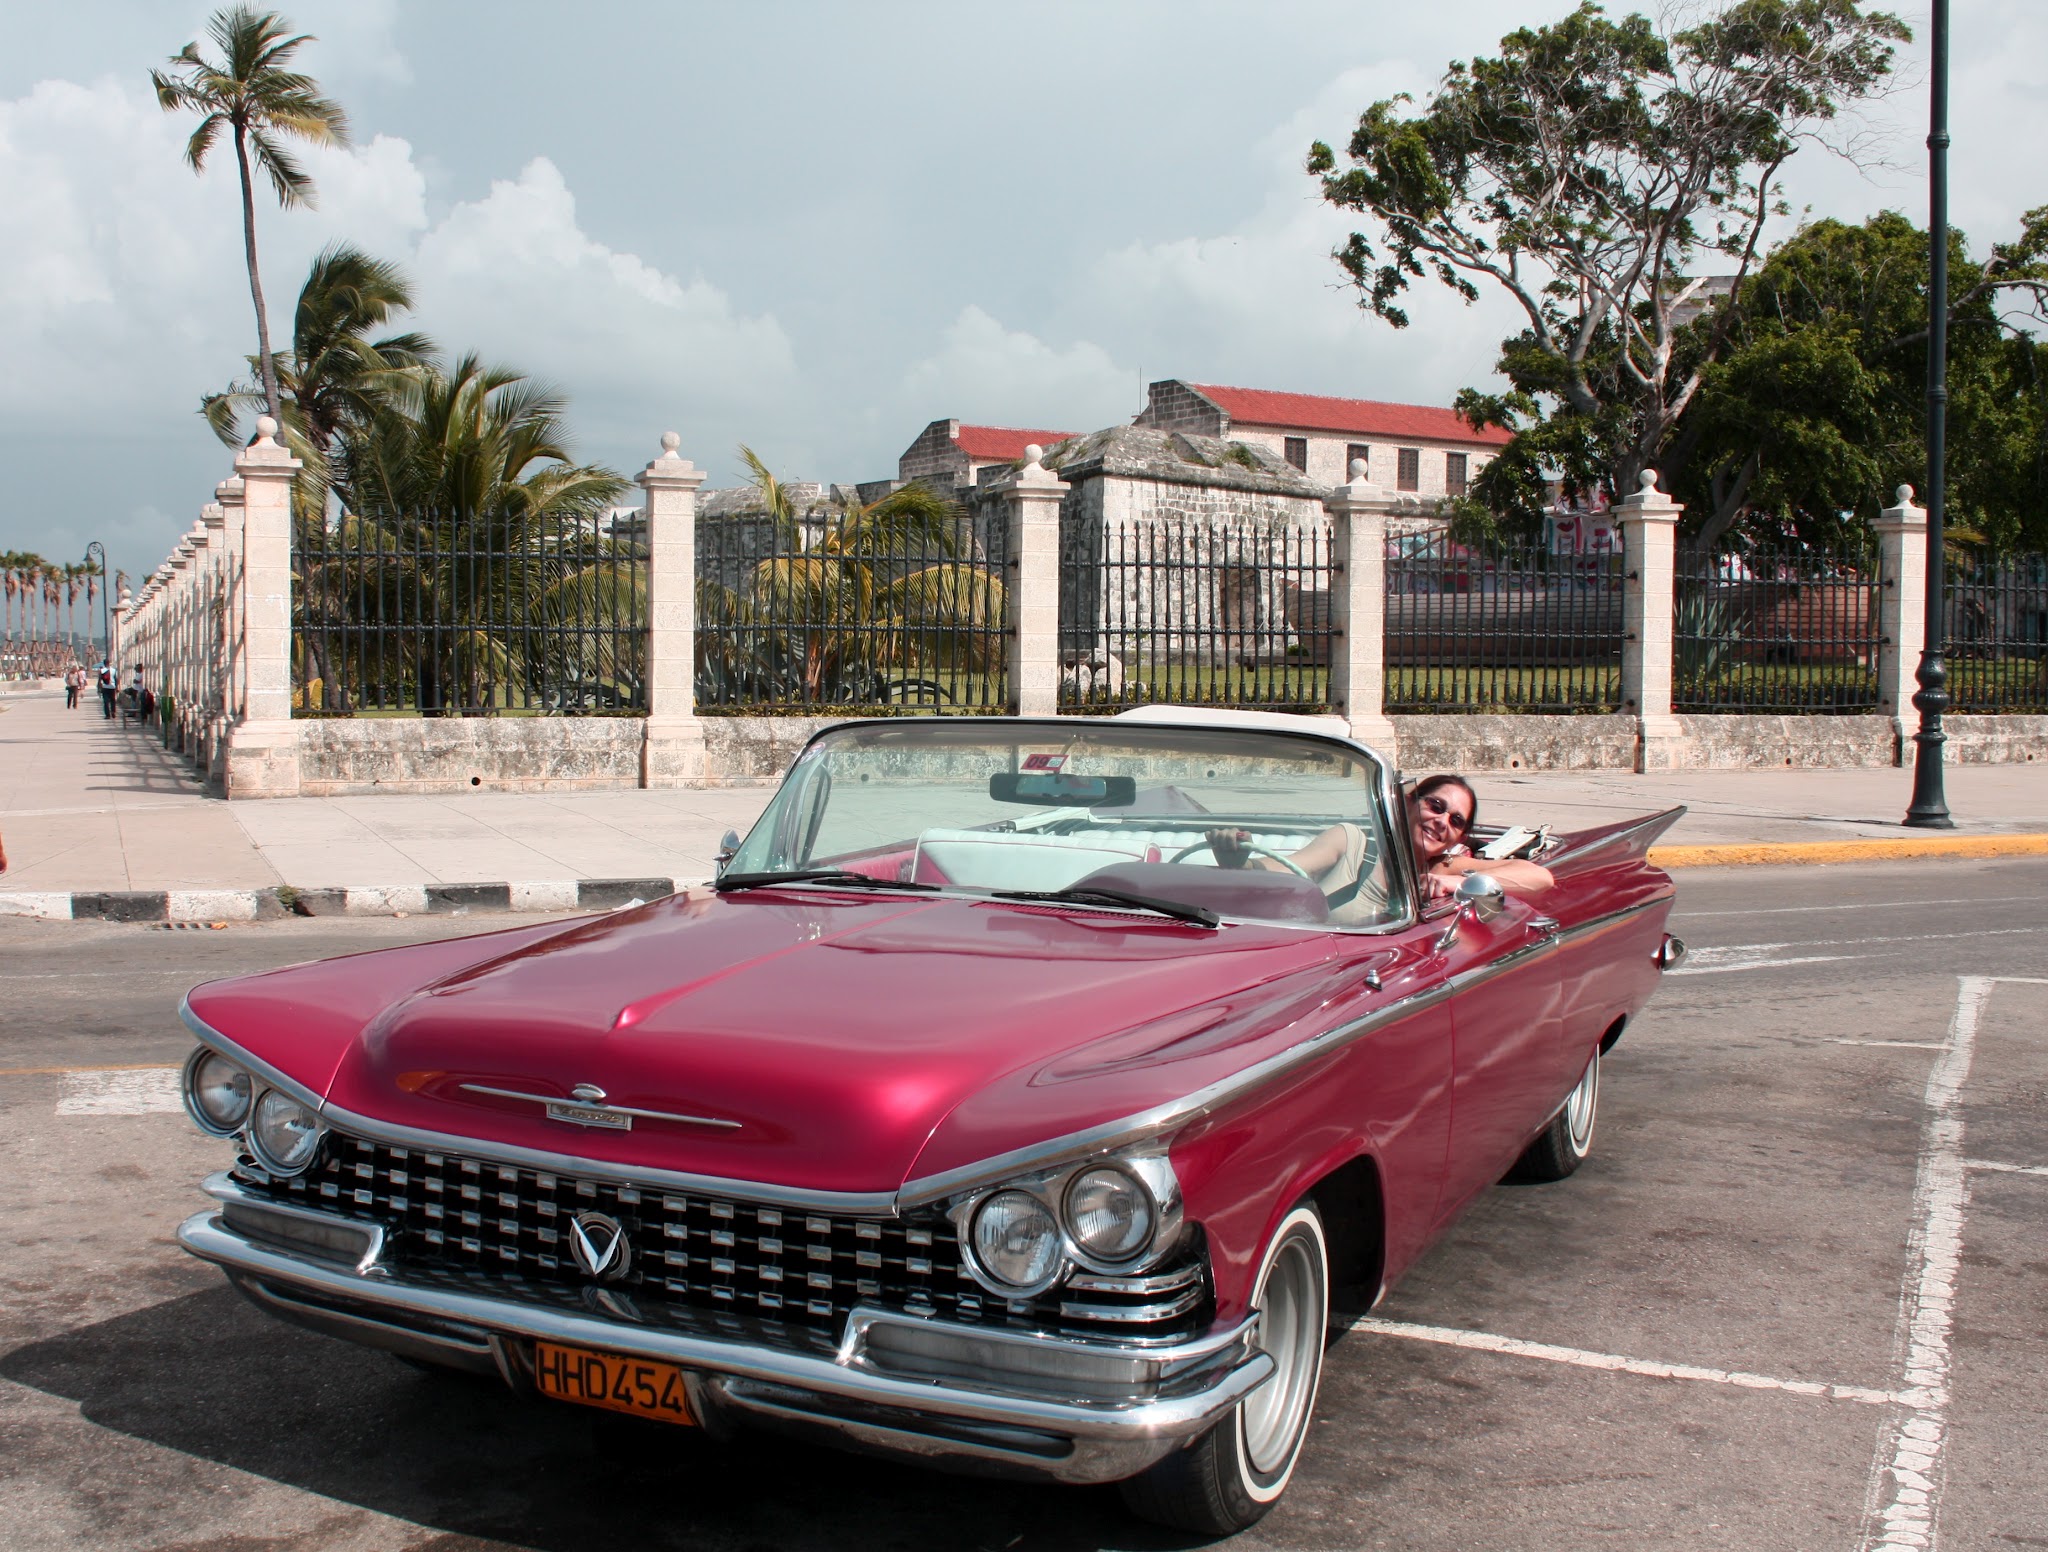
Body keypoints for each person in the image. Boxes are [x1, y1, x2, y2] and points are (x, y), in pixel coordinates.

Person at [1205, 773, 1553, 921]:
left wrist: (1454, 884)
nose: (1442, 821)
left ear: (1458, 838)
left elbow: (1539, 878)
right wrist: (1238, 862)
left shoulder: (1444, 868)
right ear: (1406, 802)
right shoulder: (1352, 842)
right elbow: (1284, 872)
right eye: (1435, 806)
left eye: (1456, 821)